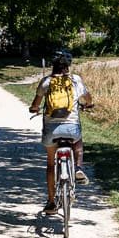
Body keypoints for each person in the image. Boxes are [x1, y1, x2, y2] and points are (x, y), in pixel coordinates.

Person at [29, 49, 93, 213]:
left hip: (51, 129)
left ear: (53, 65)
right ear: (68, 66)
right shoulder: (75, 80)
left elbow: (35, 104)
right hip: (71, 127)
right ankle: (78, 168)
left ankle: (51, 203)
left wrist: (34, 108)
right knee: (78, 142)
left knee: (51, 164)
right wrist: (87, 105)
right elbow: (88, 97)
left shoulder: (46, 82)